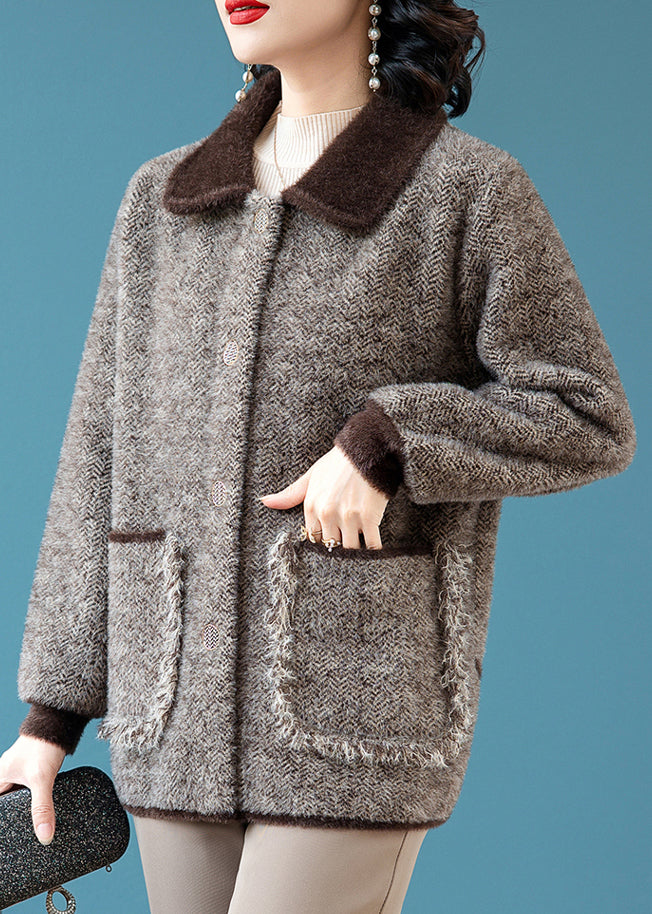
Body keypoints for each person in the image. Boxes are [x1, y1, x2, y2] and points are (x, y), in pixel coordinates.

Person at [1, 1, 637, 912]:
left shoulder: (465, 191)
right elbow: (99, 454)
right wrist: (51, 718)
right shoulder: (162, 199)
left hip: (354, 716)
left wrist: (392, 440)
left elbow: (585, 411)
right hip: (169, 713)